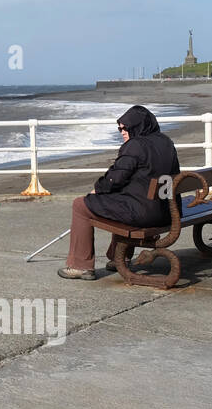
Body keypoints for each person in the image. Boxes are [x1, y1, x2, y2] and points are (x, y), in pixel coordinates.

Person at [58, 105, 180, 280]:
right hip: (167, 211)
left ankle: (81, 266)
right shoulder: (166, 142)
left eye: (126, 128)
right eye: (120, 128)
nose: (122, 132)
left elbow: (115, 178)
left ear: (137, 126)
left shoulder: (135, 145)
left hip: (145, 214)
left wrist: (97, 189)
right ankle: (119, 258)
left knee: (80, 205)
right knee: (121, 201)